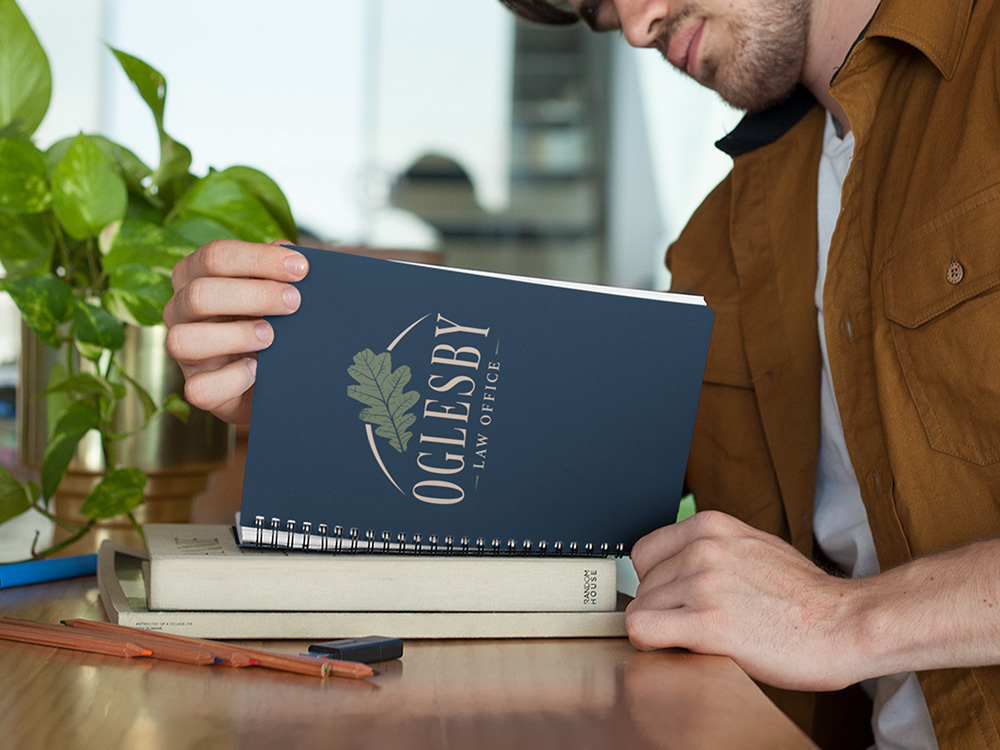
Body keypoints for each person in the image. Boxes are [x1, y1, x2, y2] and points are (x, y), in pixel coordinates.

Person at [163, 0, 1000, 747]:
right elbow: (549, 520)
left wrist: (842, 621)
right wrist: (296, 403)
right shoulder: (721, 244)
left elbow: (809, 620)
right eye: (601, 10)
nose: (635, 26)